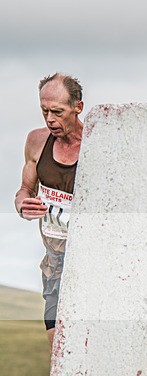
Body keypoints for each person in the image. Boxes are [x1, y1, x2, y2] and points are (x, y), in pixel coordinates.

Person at [14, 73, 84, 349]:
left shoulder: (98, 146)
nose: (50, 119)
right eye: (44, 111)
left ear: (78, 107)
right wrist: (22, 204)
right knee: (57, 343)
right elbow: (24, 190)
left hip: (92, 260)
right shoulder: (36, 141)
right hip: (55, 261)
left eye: (58, 111)